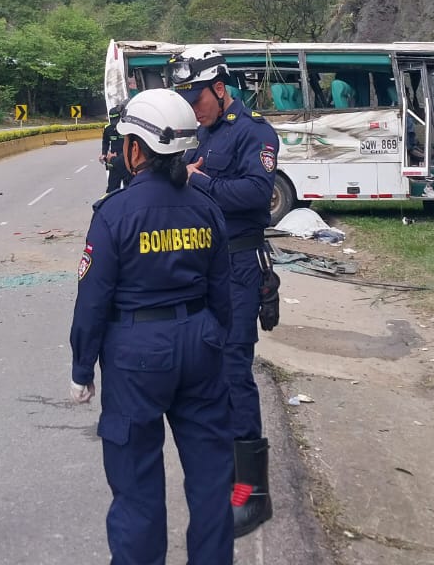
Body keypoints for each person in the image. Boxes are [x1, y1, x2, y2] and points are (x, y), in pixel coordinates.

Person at [69, 89, 234, 564]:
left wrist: (82, 368)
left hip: (136, 355)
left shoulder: (114, 214)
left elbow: (92, 300)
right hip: (200, 343)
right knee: (210, 478)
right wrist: (212, 339)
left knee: (137, 482)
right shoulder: (206, 208)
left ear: (135, 150)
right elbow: (223, 291)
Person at [169, 44, 280, 537]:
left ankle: (252, 493)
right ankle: (225, 470)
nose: (193, 108)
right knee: (209, 366)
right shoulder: (203, 134)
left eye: (197, 98)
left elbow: (258, 194)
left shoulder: (253, 131)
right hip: (208, 264)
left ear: (219, 88)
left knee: (235, 371)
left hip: (239, 263)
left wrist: (201, 182)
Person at [98, 104, 131, 194]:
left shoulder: (126, 128)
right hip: (113, 161)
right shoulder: (108, 129)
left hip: (126, 161)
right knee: (112, 190)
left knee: (129, 188)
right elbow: (105, 142)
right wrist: (104, 154)